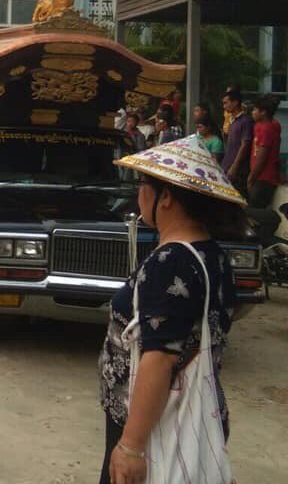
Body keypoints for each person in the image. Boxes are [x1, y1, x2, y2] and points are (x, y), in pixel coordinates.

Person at [99, 135, 243, 484]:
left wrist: (131, 446)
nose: (139, 193)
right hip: (192, 409)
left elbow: (160, 357)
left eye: (145, 184)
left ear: (166, 198)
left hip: (157, 421)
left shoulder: (171, 262)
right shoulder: (213, 255)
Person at [248, 94, 282, 208]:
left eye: (255, 110)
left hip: (263, 179)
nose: (252, 112)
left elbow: (261, 158)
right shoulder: (261, 125)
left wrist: (251, 177)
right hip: (260, 177)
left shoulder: (267, 129)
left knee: (253, 213)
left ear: (263, 112)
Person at [221, 88, 253, 197]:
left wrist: (235, 166)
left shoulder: (246, 121)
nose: (224, 106)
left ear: (235, 103)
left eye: (226, 103)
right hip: (227, 167)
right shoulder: (233, 121)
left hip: (237, 171)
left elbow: (245, 145)